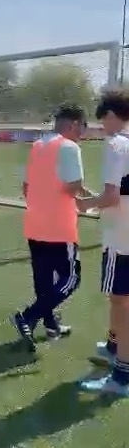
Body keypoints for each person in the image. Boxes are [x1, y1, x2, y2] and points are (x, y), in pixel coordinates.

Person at [9, 104, 89, 352]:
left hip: (35, 224)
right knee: (71, 279)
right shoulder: (68, 147)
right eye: (83, 128)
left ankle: (51, 325)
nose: (82, 135)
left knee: (44, 282)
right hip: (59, 227)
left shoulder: (37, 146)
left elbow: (27, 187)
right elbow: (73, 185)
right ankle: (28, 316)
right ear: (74, 124)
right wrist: (89, 200)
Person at [78, 90, 129, 395]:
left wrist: (85, 205)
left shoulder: (116, 145)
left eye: (102, 120)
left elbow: (110, 196)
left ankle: (122, 376)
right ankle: (113, 347)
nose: (101, 126)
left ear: (111, 116)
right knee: (119, 300)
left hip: (121, 238)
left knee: (122, 303)